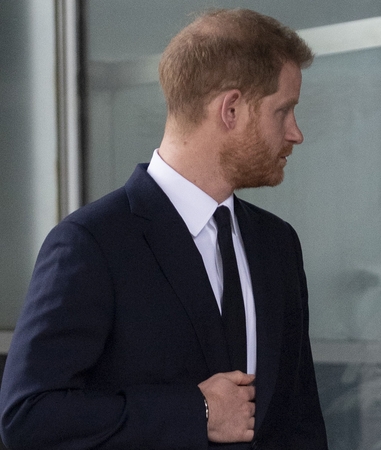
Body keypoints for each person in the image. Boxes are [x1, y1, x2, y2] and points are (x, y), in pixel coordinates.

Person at [0, 8, 328, 449]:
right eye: (283, 111)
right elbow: (28, 417)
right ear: (230, 109)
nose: (295, 133)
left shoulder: (277, 244)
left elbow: (299, 422)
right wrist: (199, 412)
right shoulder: (93, 243)